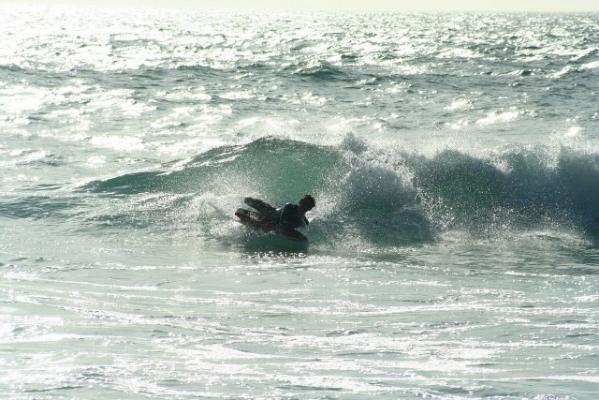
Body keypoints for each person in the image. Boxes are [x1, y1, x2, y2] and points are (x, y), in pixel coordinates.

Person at [244, 195, 315, 231]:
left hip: (277, 219)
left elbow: (301, 231)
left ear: (309, 208)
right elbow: (282, 221)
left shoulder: (304, 221)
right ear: (300, 202)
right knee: (249, 200)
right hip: (271, 213)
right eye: (304, 202)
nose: (304, 204)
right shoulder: (290, 206)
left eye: (306, 204)